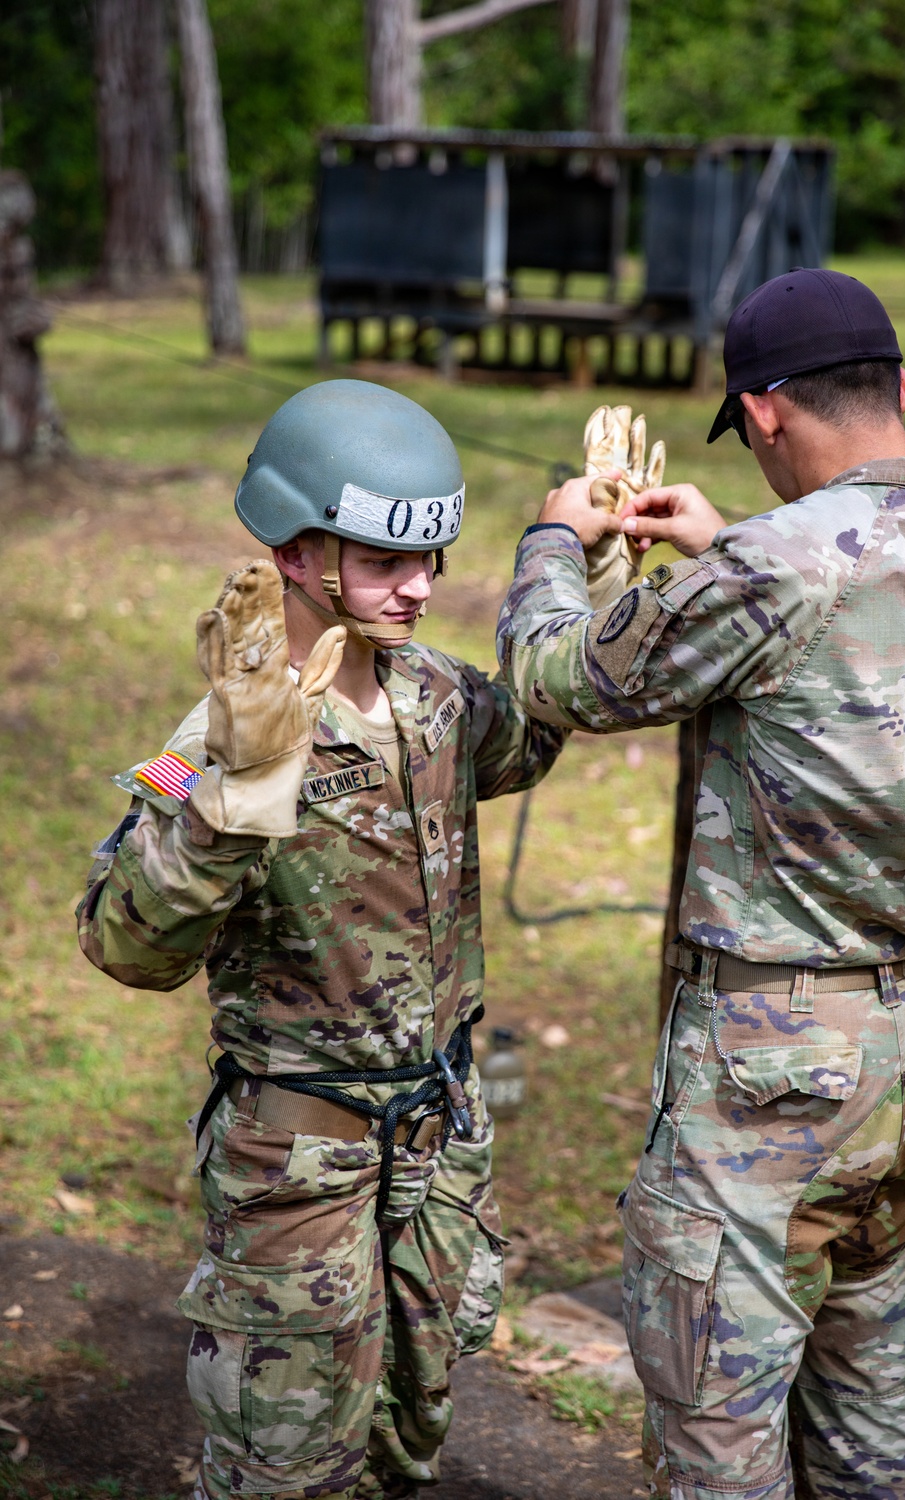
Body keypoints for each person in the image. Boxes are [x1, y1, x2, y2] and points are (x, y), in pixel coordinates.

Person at [496, 268, 905, 1498]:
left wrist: (557, 539)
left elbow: (554, 676)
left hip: (775, 1068)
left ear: (764, 412)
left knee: (720, 1436)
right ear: (899, 386)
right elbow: (855, 635)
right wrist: (725, 547)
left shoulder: (773, 566)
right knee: (872, 1400)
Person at [77, 379, 567, 1500]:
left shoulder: (432, 693)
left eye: (431, 557)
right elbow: (128, 947)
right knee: (285, 1467)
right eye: (388, 560)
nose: (422, 586)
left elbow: (529, 736)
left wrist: (578, 558)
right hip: (300, 1170)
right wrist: (228, 806)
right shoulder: (220, 744)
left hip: (437, 1145)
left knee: (409, 1432)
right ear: (297, 552)